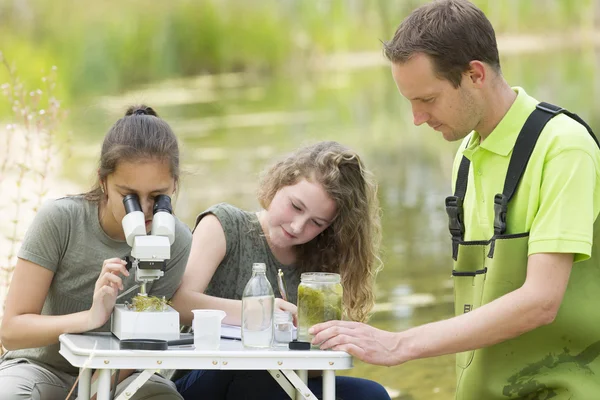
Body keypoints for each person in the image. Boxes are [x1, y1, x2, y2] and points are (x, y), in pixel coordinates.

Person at [309, 1, 600, 399]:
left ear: (475, 74)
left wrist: (400, 344)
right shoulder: (465, 153)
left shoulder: (563, 148)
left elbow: (540, 301)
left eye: (427, 99)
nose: (416, 118)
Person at [171, 141, 391, 400]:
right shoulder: (224, 224)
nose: (298, 227)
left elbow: (315, 372)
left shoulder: (320, 263)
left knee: (370, 394)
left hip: (279, 383)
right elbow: (178, 303)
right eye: (296, 207)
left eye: (316, 223)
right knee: (253, 370)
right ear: (279, 184)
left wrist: (321, 343)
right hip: (206, 376)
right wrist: (259, 312)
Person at [0, 105, 192, 399]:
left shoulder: (176, 239)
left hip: (116, 373)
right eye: (129, 197)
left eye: (157, 197)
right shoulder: (61, 219)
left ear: (175, 185)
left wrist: (91, 394)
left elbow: (148, 341)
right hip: (41, 368)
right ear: (103, 181)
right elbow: (11, 331)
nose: (144, 211)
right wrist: (90, 317)